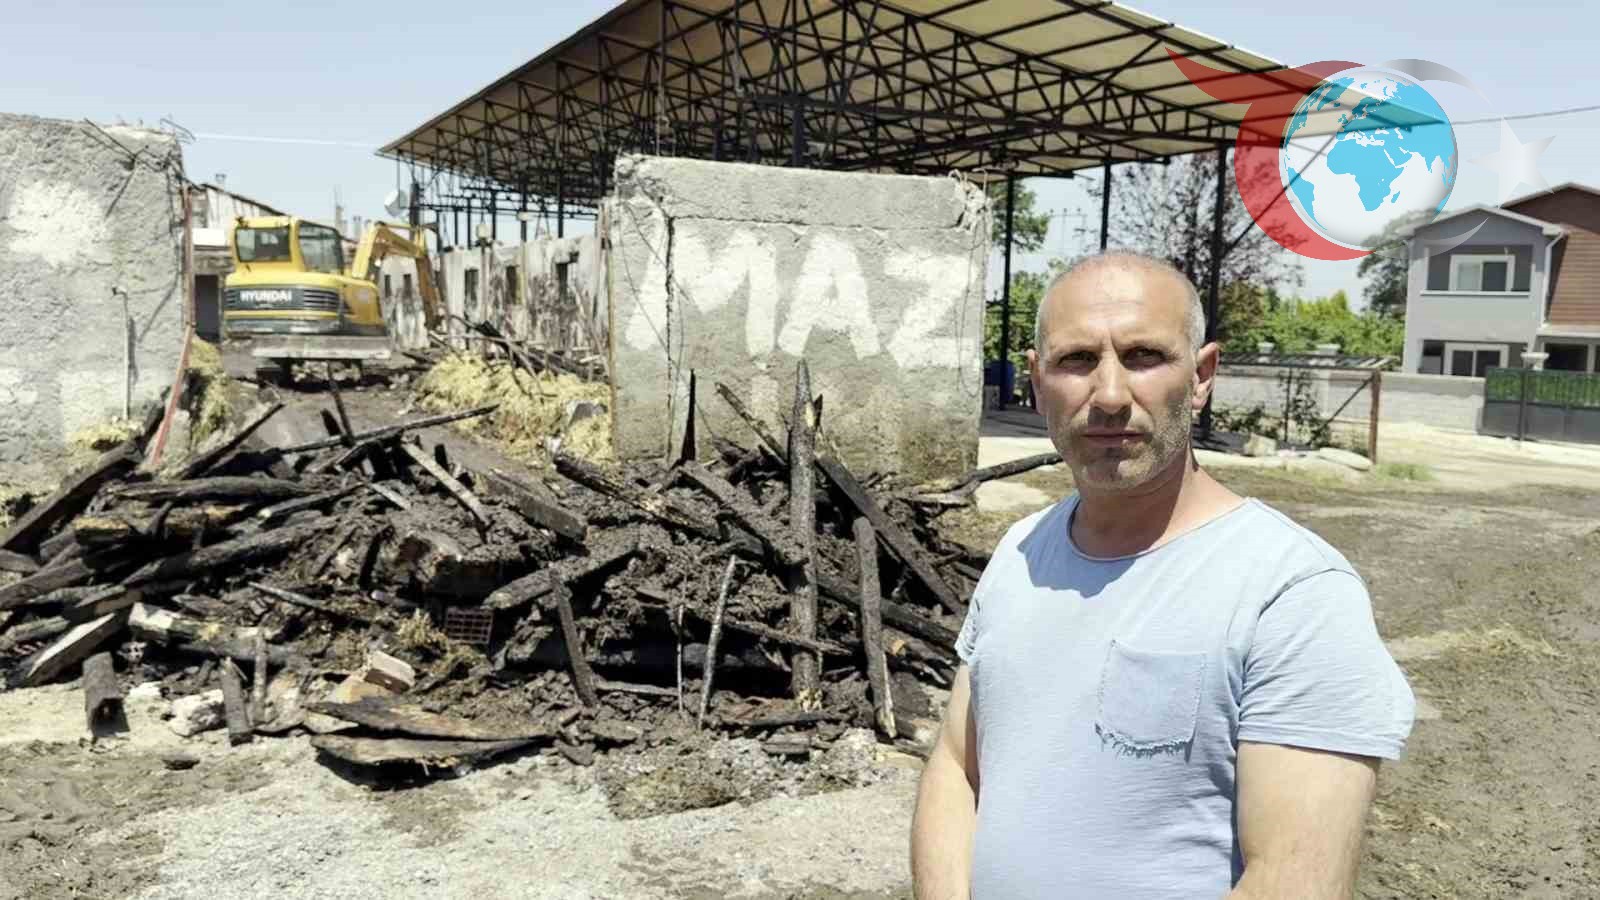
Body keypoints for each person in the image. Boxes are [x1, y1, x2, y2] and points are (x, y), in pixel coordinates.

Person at [909, 253, 1414, 900]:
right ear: (1036, 382)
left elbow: (1293, 881)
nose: (1110, 395)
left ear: (1202, 376)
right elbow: (957, 766)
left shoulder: (1292, 593)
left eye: (1144, 356)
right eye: (1076, 360)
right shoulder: (1020, 553)